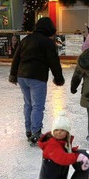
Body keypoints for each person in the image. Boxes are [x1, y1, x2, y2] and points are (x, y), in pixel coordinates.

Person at [8, 17, 65, 146]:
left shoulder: (26, 40)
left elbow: (16, 58)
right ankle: (36, 133)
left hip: (22, 76)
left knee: (28, 104)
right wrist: (59, 78)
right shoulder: (47, 43)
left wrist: (13, 74)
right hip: (37, 77)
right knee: (37, 106)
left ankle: (28, 130)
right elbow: (54, 62)